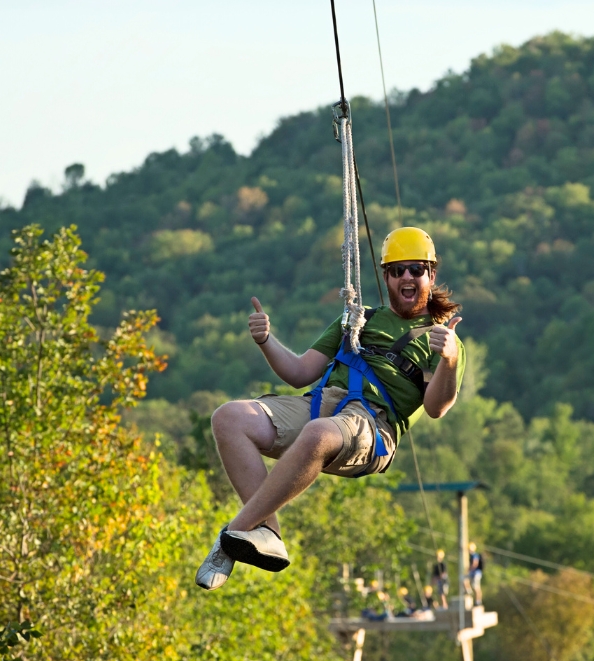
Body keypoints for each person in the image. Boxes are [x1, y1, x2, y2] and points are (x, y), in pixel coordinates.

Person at [195, 227, 466, 590]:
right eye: (397, 269)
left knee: (318, 434)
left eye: (415, 269)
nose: (406, 276)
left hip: (372, 426)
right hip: (324, 404)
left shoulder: (440, 338)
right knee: (228, 418)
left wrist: (447, 359)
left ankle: (233, 534)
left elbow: (436, 407)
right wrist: (265, 340)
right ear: (385, 276)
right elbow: (299, 372)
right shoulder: (359, 319)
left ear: (430, 275)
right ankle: (266, 532)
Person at [465, 542, 484, 606]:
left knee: (476, 587)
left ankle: (478, 601)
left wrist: (469, 570)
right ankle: (468, 591)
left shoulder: (474, 555)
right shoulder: (471, 556)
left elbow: (475, 564)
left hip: (476, 573)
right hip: (473, 573)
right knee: (465, 580)